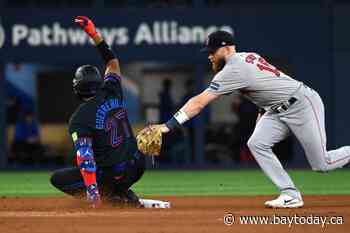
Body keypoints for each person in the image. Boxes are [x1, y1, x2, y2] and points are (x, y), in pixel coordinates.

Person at [143, 30, 350, 208]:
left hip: (302, 104)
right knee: (257, 142)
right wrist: (262, 116)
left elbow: (198, 103)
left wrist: (167, 126)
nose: (210, 57)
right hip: (276, 109)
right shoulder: (248, 56)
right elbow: (265, 88)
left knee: (321, 163)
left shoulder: (233, 70)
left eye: (212, 52)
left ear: (225, 48)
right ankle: (290, 194)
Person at [50, 16, 145, 207]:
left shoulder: (79, 119)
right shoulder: (112, 90)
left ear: (77, 88)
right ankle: (123, 193)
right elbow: (112, 63)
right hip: (137, 166)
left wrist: (94, 196)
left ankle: (112, 197)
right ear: (99, 82)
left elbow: (86, 159)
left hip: (112, 175)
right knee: (114, 160)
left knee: (57, 179)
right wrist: (94, 35)